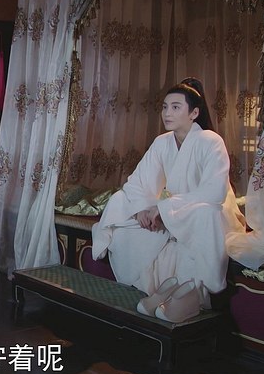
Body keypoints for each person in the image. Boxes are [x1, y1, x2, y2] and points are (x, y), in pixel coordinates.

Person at [91, 78, 246, 323]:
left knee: (206, 212)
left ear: (194, 113)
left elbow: (214, 192)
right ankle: (152, 284)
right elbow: (137, 182)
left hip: (205, 211)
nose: (167, 113)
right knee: (120, 200)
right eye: (164, 107)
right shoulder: (162, 142)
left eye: (175, 107)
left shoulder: (210, 141)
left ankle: (195, 293)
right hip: (171, 210)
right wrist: (142, 209)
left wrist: (165, 209)